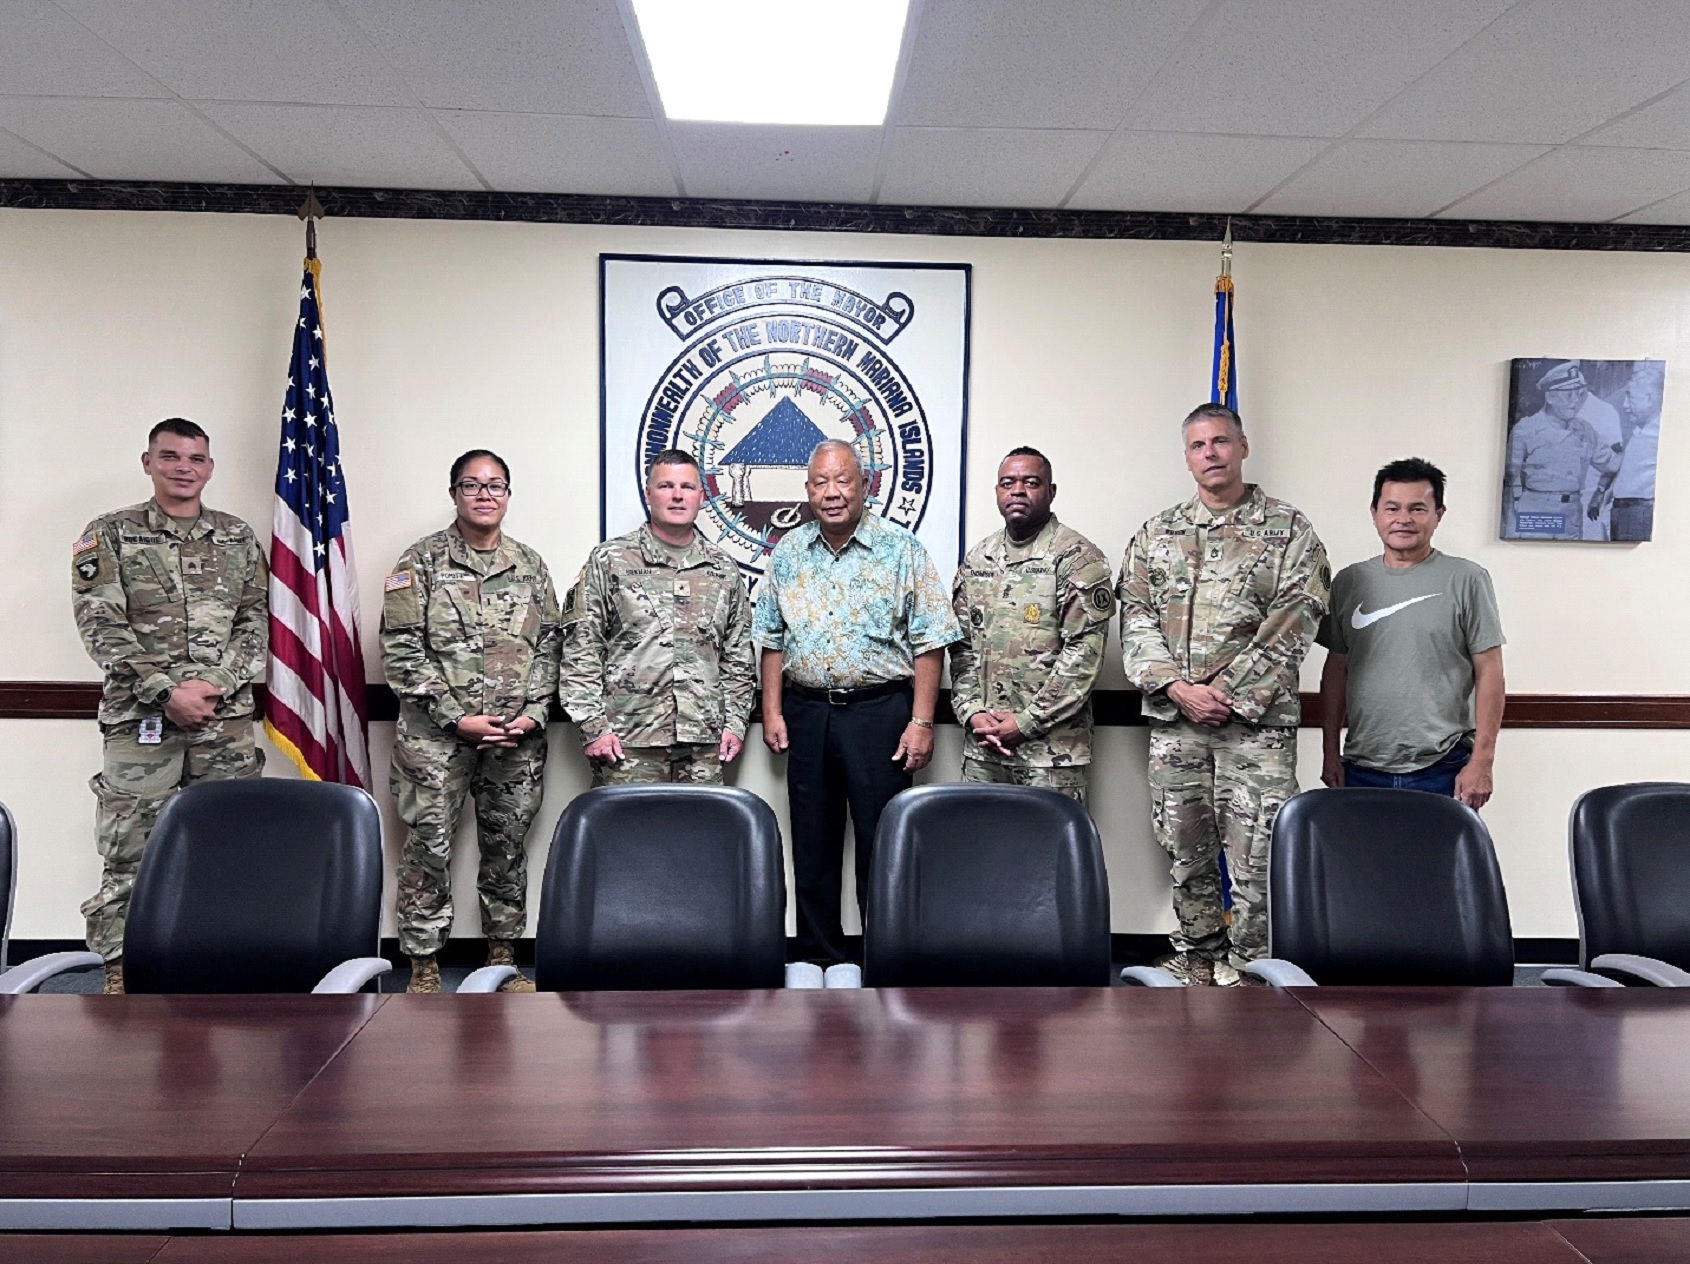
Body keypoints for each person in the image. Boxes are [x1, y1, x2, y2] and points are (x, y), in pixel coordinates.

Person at [1117, 404, 1328, 987]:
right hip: (1176, 724)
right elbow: (1134, 615)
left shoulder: (1289, 530)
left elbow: (1298, 617)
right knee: (1184, 849)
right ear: (1186, 457)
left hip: (1255, 730)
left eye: (1220, 441)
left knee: (1257, 858)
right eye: (1198, 445)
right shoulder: (1156, 534)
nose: (1210, 453)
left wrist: (1227, 695)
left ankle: (1252, 970)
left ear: (1243, 448)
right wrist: (1177, 687)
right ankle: (1198, 958)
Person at [72, 418, 268, 995]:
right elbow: (100, 624)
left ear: (210, 467)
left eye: (196, 458)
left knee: (228, 847)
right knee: (130, 850)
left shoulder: (236, 536)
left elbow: (255, 621)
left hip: (223, 723)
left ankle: (216, 966)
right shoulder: (110, 533)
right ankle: (119, 972)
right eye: (171, 456)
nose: (184, 468)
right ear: (148, 462)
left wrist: (216, 684)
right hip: (141, 722)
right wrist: (166, 692)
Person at [755, 439, 961, 964]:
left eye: (843, 480)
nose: (832, 492)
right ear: (807, 491)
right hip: (807, 713)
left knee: (882, 842)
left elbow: (930, 641)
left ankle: (883, 957)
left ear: (865, 485)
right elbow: (772, 639)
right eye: (821, 482)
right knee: (812, 842)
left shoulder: (901, 549)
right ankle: (818, 957)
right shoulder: (788, 553)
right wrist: (773, 711)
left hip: (881, 713)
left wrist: (922, 721)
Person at [381, 450, 560, 994]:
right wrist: (456, 717)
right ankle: (423, 965)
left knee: (507, 848)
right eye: (472, 485)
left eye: (495, 485)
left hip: (514, 739)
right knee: (428, 848)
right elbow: (401, 651)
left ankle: (502, 960)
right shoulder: (420, 563)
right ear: (454, 493)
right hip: (435, 740)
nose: (485, 495)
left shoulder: (530, 565)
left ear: (508, 494)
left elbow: (551, 647)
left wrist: (533, 713)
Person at [1318, 459, 1505, 809]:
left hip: (1444, 766)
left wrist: (1482, 762)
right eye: (1392, 508)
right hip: (1361, 767)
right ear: (1375, 513)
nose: (1403, 518)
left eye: (1417, 509)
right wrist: (1330, 753)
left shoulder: (1467, 579)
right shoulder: (1349, 582)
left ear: (1438, 515)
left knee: (1441, 850)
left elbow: (1490, 669)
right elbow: (1336, 670)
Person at [559, 449, 755, 785]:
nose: (678, 495)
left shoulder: (723, 569)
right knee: (626, 823)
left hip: (703, 744)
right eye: (666, 486)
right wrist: (592, 727)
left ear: (701, 497)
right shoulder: (610, 560)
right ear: (649, 494)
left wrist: (735, 724)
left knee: (701, 823)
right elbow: (582, 648)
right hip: (626, 743)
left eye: (687, 487)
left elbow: (738, 657)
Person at [949, 447, 1113, 804]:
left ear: (1051, 492)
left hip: (1051, 754)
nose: (1018, 491)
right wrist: (972, 712)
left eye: (1031, 483)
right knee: (979, 839)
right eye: (1008, 483)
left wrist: (1026, 723)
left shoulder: (1076, 557)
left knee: (1050, 842)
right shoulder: (979, 559)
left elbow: (1084, 657)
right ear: (997, 492)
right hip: (984, 750)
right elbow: (962, 650)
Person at [1503, 361, 1621, 542]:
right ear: (1550, 397)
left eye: (1580, 394)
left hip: (1571, 513)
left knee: (1567, 558)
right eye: (1568, 395)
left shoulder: (1585, 430)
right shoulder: (1526, 429)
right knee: (1535, 556)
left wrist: (1637, 446)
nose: (1575, 401)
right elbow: (1508, 481)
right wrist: (1510, 525)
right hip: (1537, 510)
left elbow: (1612, 464)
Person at [1610, 362, 1664, 542]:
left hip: (1637, 511)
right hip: (1625, 510)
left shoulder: (1660, 434)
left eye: (1630, 397)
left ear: (1649, 398)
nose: (1624, 405)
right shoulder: (1639, 430)